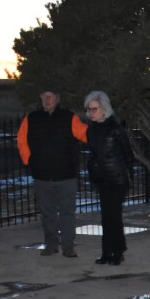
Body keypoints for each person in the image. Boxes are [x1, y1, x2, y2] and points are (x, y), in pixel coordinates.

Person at [16, 86, 88, 257]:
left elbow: (85, 134)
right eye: (43, 97)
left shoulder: (69, 118)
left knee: (67, 213)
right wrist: (29, 161)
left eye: (50, 96)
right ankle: (51, 244)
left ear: (57, 98)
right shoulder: (32, 119)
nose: (46, 100)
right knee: (47, 213)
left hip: (66, 176)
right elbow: (21, 140)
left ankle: (68, 245)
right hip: (42, 176)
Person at [82, 91, 134, 265]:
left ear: (104, 109)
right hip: (102, 178)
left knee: (114, 216)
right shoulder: (91, 130)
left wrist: (128, 175)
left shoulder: (116, 129)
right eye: (89, 109)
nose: (91, 112)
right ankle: (106, 252)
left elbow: (128, 154)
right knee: (106, 217)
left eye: (95, 109)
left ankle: (118, 251)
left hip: (118, 178)